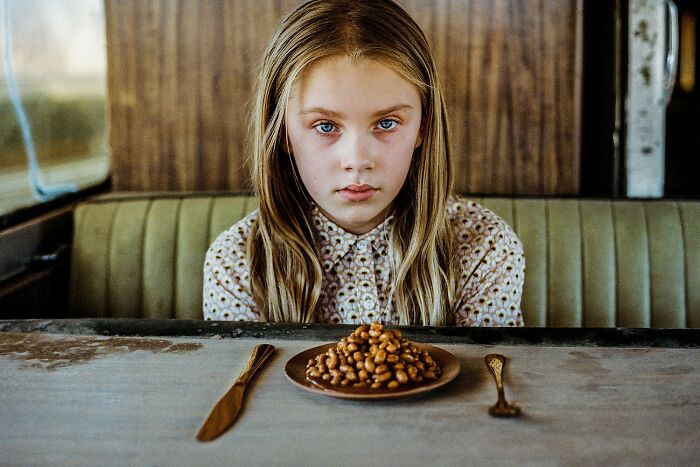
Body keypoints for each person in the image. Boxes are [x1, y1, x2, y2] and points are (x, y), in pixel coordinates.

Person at [203, 0, 524, 326]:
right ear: (283, 131)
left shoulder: (484, 247)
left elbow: (487, 374)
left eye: (386, 123)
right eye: (325, 126)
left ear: (422, 127)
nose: (357, 161)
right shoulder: (237, 264)